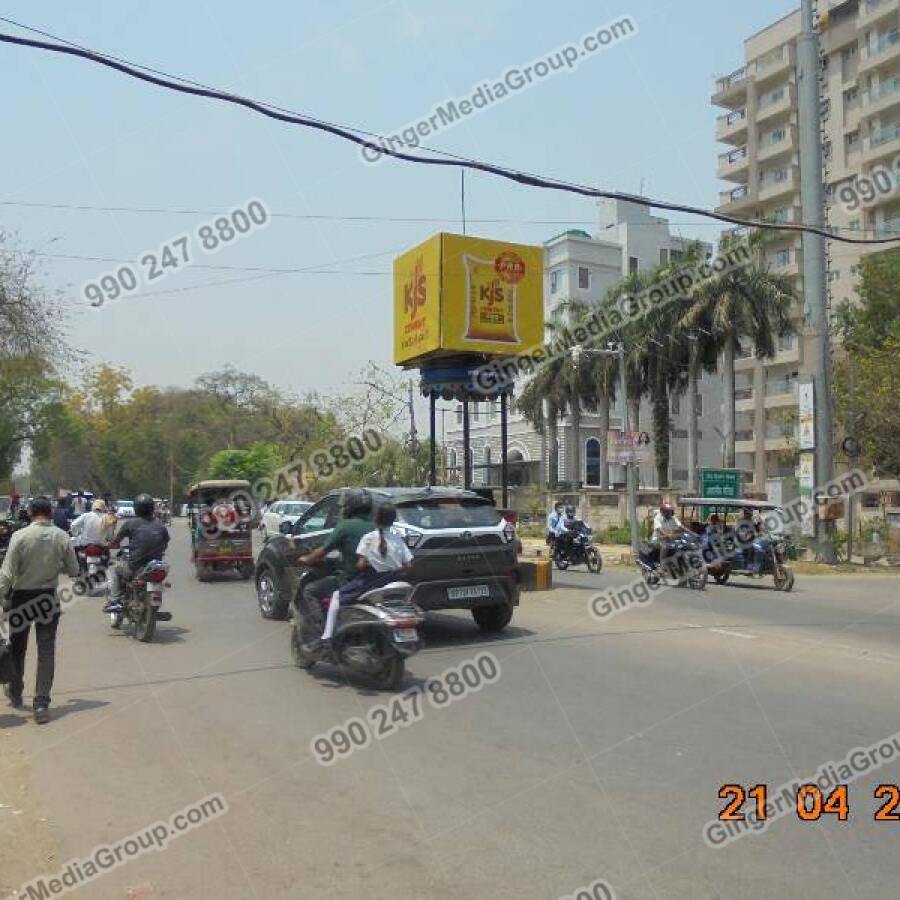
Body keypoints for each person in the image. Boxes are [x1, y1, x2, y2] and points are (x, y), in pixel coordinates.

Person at [0, 497, 79, 723]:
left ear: (31, 512)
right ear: (50, 513)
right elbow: (73, 569)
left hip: (22, 598)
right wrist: (56, 564)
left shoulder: (20, 536)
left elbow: (6, 573)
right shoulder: (62, 537)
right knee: (46, 651)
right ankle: (42, 704)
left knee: (18, 648)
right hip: (47, 598)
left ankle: (16, 691)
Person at [321, 502, 412, 640]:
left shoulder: (368, 538)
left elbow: (361, 565)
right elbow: (408, 566)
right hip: (393, 581)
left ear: (375, 519)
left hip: (369, 581)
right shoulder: (397, 539)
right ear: (393, 520)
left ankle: (327, 636)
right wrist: (394, 569)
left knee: (336, 596)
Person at [298, 489, 373, 629]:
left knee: (309, 590)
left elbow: (322, 551)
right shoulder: (375, 526)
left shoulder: (345, 526)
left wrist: (307, 559)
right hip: (373, 581)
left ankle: (320, 630)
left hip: (349, 580)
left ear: (350, 506)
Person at [104, 493, 170, 614]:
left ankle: (115, 600)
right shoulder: (161, 525)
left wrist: (109, 545)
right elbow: (165, 543)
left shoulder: (130, 523)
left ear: (136, 508)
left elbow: (115, 541)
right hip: (155, 567)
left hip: (136, 567)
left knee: (113, 569)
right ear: (152, 507)